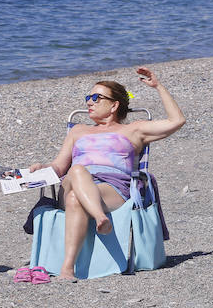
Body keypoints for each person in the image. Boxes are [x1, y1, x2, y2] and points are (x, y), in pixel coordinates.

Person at [28, 67, 185, 280]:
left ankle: (67, 268)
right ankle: (101, 218)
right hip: (74, 179)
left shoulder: (134, 130)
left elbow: (177, 121)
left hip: (112, 189)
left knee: (75, 197)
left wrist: (158, 86)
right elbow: (58, 167)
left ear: (114, 105)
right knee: (76, 171)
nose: (89, 102)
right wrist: (42, 168)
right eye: (88, 97)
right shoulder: (78, 130)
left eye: (96, 97)